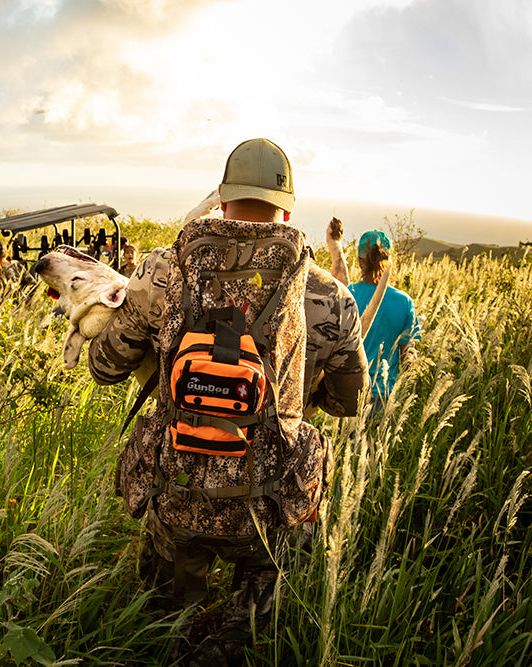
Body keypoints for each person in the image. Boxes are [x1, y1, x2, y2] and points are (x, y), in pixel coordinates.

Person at [89, 138, 368, 665]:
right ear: (287, 208)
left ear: (221, 198)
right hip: (266, 504)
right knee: (257, 635)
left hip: (178, 488)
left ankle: (172, 638)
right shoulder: (330, 297)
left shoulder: (159, 272)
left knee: (158, 627)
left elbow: (104, 367)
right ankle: (237, 638)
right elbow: (348, 400)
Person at [348, 230, 421, 406]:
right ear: (388, 261)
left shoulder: (349, 294)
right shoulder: (404, 302)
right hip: (384, 396)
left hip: (349, 392)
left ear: (359, 261)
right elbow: (408, 359)